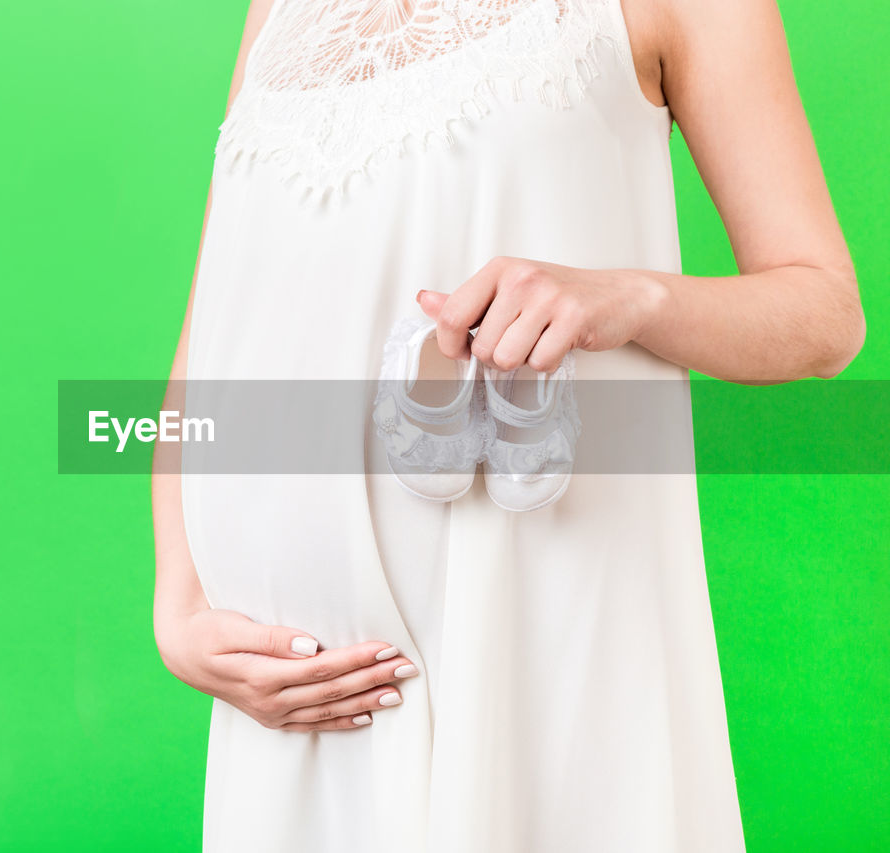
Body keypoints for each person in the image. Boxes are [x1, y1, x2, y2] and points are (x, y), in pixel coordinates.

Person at [151, 1, 864, 850]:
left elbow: (826, 312)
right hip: (290, 698)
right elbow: (218, 320)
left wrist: (633, 296)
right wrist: (180, 600)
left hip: (531, 646)